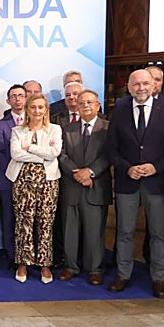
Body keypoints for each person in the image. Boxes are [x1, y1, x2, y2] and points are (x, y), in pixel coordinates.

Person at [106, 69, 164, 297]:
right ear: (129, 87)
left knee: (158, 232)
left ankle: (159, 278)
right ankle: (123, 275)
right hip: (127, 181)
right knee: (125, 231)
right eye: (136, 84)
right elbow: (111, 148)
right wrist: (127, 167)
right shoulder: (119, 112)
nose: (141, 88)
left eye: (145, 83)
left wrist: (156, 167)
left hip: (156, 182)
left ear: (153, 86)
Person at [6, 93, 62, 284]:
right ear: (27, 110)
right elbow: (16, 154)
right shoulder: (17, 131)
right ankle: (23, 263)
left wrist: (30, 148)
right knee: (24, 222)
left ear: (46, 110)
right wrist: (43, 154)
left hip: (48, 182)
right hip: (23, 181)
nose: (37, 111)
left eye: (40, 107)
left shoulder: (55, 129)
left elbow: (54, 153)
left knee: (46, 222)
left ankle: (45, 264)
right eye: (33, 107)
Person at [57, 90, 111, 285]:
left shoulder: (108, 128)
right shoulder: (66, 128)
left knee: (95, 232)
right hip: (72, 186)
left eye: (90, 102)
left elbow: (110, 154)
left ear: (98, 105)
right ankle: (70, 266)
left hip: (96, 186)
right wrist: (78, 174)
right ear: (76, 107)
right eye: (81, 103)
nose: (85, 106)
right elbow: (61, 154)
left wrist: (91, 172)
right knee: (69, 231)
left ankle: (94, 269)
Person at [0, 83, 26, 268]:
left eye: (21, 95)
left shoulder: (35, 122)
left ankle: (28, 255)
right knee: (9, 218)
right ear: (8, 100)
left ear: (26, 99)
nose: (17, 99)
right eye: (14, 96)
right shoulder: (1, 124)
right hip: (8, 180)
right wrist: (14, 172)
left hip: (31, 181)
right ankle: (12, 255)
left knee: (28, 219)